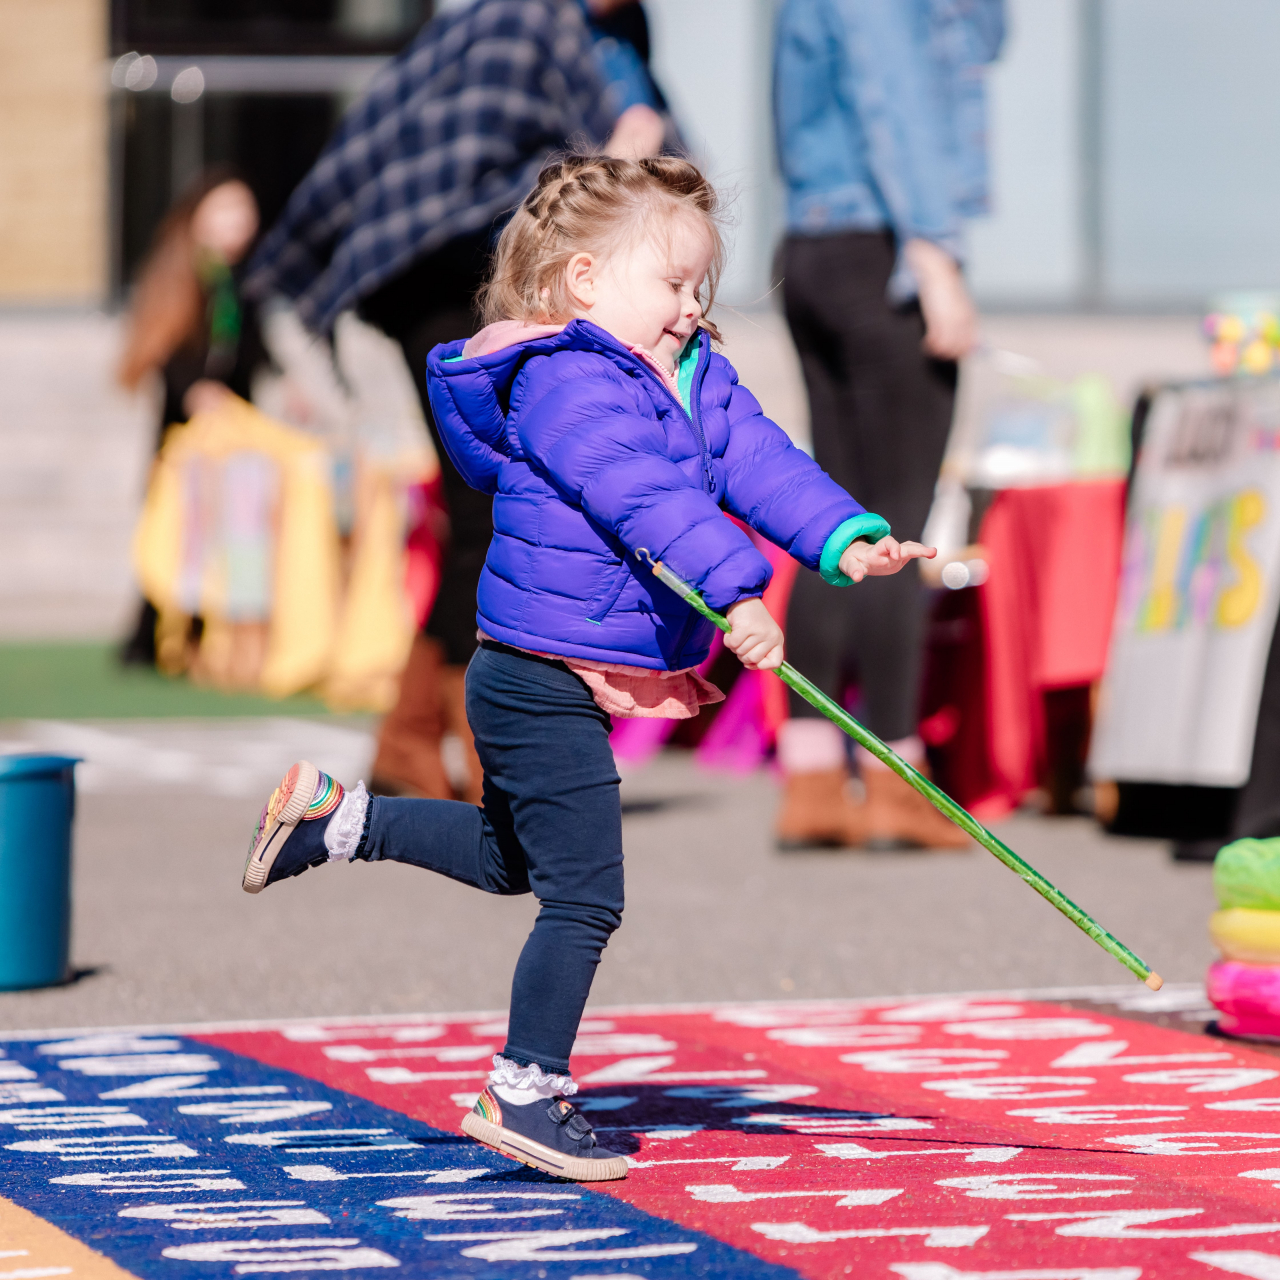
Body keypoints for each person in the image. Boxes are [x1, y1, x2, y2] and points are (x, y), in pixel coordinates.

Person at [240, 155, 934, 1180]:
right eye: (669, 284)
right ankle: (526, 1085)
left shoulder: (691, 371)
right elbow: (643, 497)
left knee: (509, 858)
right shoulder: (565, 381)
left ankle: (336, 819)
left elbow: (758, 459)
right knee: (586, 893)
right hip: (535, 672)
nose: (690, 306)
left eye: (701, 285)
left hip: (561, 671)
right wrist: (739, 589)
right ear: (580, 281)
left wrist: (840, 537)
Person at [245, 0, 668, 805]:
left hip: (490, 284)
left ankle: (410, 739)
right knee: (499, 514)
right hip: (457, 278)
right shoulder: (523, 18)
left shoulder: (613, 33)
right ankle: (488, 753)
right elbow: (455, 173)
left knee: (491, 512)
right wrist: (608, 164)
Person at [771, 0, 1005, 850]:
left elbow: (983, 37)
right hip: (882, 251)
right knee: (896, 523)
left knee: (832, 523)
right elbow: (895, 101)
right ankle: (899, 779)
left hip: (811, 250)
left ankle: (809, 779)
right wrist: (936, 258)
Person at [118, 171, 269, 666]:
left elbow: (252, 353)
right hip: (182, 431)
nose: (239, 222)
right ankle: (149, 636)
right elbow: (167, 349)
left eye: (244, 211)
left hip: (232, 428)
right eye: (226, 210)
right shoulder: (181, 274)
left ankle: (208, 636)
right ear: (199, 218)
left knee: (225, 529)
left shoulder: (247, 282)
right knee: (175, 524)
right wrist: (194, 392)